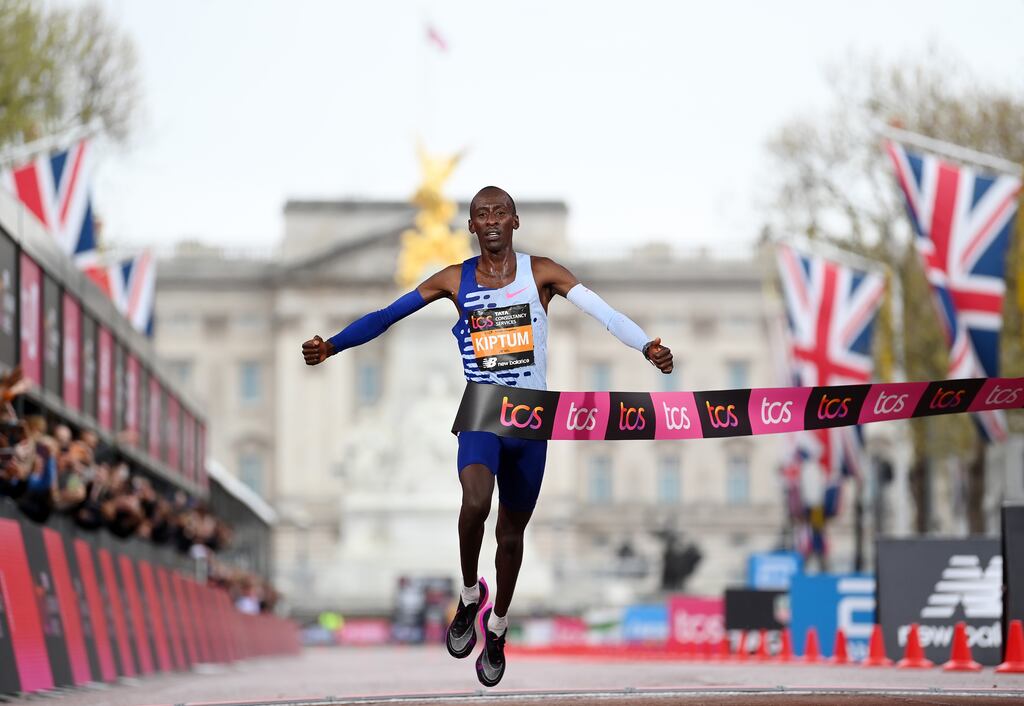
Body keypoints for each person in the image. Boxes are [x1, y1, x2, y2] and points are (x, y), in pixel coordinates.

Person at [302, 186, 673, 686]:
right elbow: (386, 316)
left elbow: (602, 312)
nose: (492, 220)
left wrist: (645, 345)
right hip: (482, 410)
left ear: (515, 221)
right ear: (472, 226)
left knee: (511, 535)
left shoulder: (542, 272)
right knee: (475, 502)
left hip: (531, 420)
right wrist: (333, 345)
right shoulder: (453, 279)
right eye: (482, 214)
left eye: (501, 212)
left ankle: (497, 626)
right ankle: (469, 595)